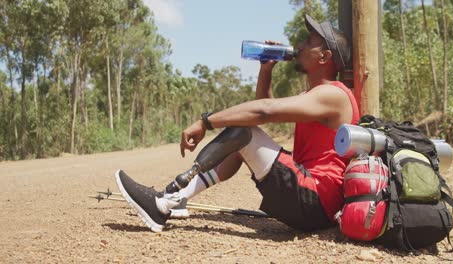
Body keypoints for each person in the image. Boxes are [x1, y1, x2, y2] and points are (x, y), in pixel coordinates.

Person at [115, 14, 359, 232]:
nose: (300, 45)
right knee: (244, 136)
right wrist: (266, 71)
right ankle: (177, 198)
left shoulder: (333, 94)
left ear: (324, 56)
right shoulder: (318, 94)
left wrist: (206, 121)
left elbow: (263, 111)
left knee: (244, 130)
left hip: (315, 198)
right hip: (312, 201)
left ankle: (163, 202)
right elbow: (263, 111)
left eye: (309, 42)